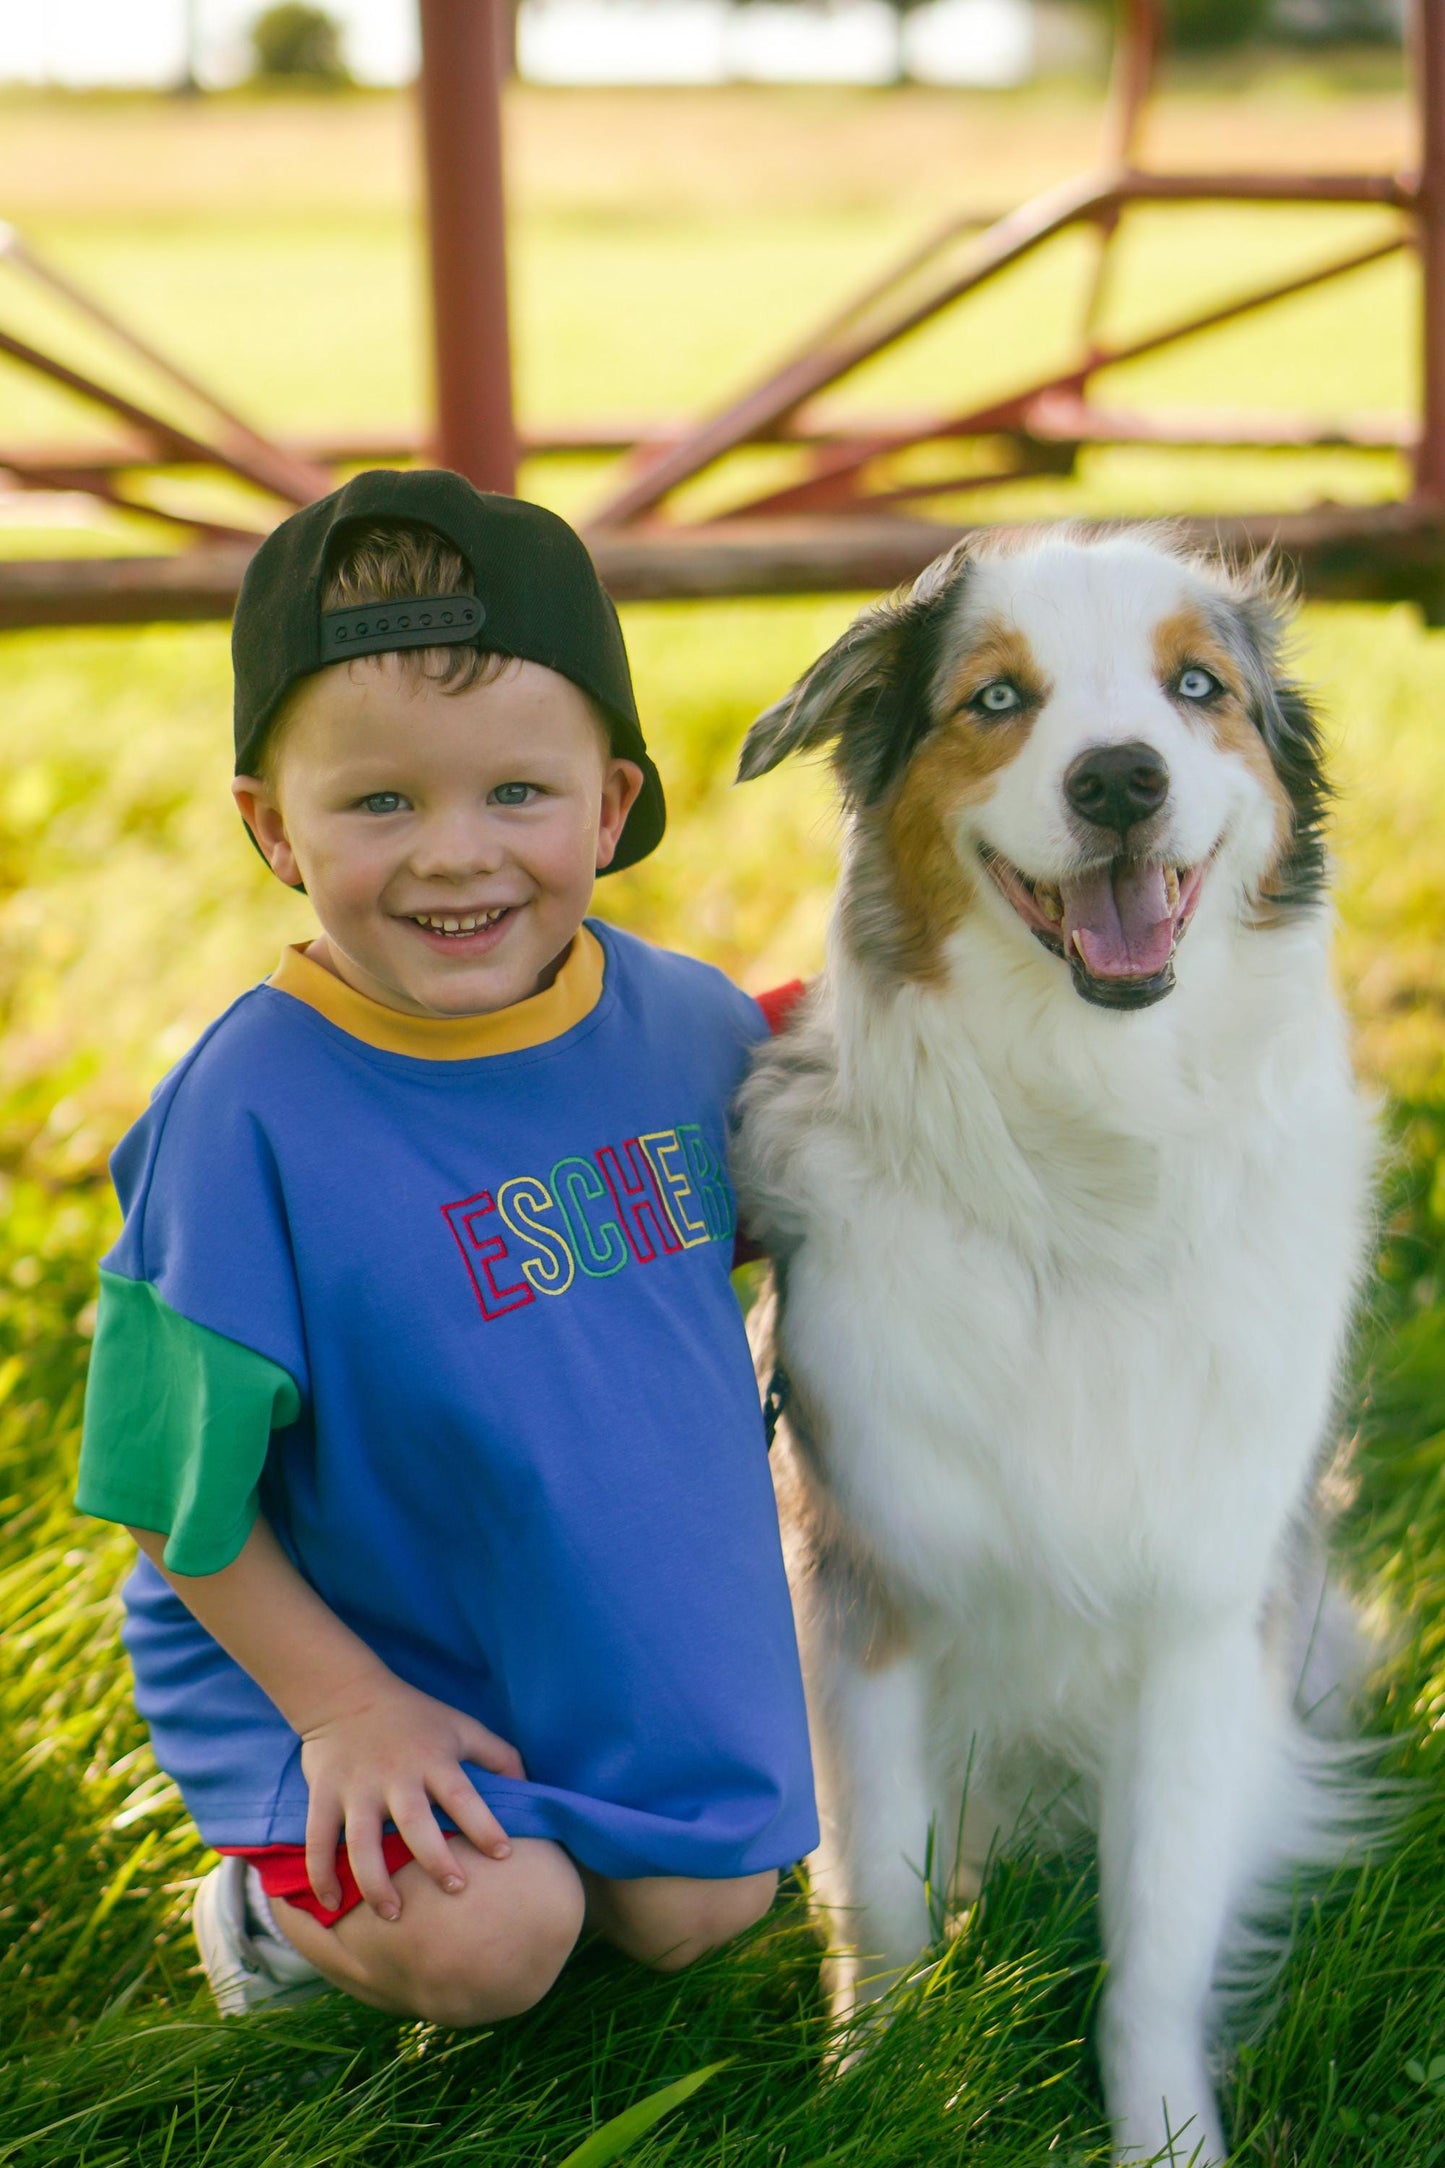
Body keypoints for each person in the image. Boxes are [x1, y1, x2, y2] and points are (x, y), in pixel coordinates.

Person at [75, 468, 817, 2025]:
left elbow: (830, 1139)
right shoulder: (248, 1115)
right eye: (380, 803)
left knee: (703, 1910)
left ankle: (551, 1833)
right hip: (342, 1646)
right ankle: (270, 1913)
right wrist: (342, 1708)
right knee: (495, 1943)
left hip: (578, 1627)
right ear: (273, 828)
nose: (453, 856)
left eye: (517, 795)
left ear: (611, 805)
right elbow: (162, 1489)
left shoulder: (680, 1028)